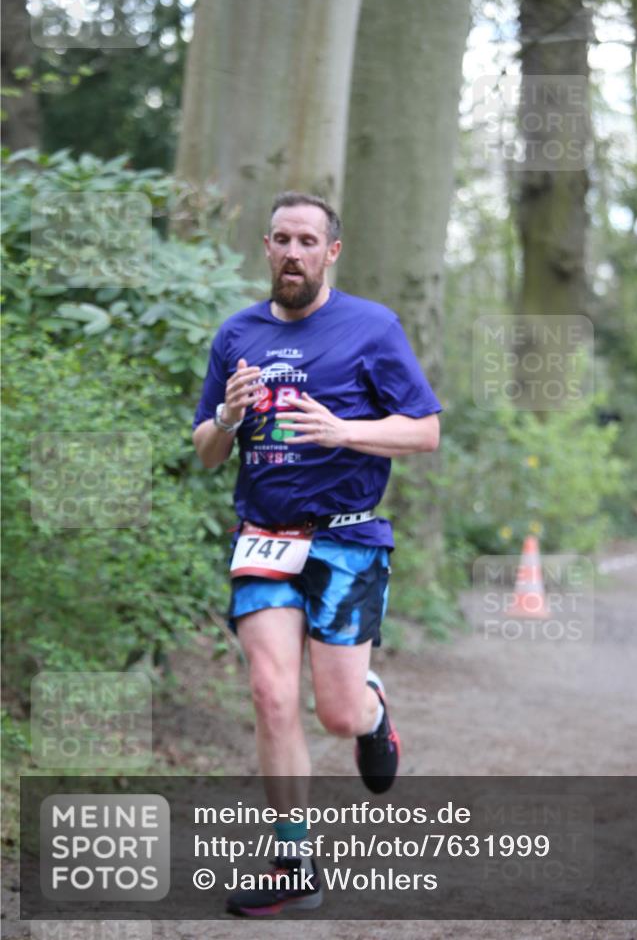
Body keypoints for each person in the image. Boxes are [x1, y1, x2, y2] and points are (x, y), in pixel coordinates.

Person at [192, 191, 441, 916]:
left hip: (348, 538)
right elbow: (206, 452)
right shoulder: (236, 334)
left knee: (335, 713)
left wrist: (344, 432)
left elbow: (424, 430)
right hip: (264, 536)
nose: (292, 252)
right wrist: (227, 417)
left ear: (331, 252)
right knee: (271, 693)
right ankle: (293, 863)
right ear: (266, 247)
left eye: (307, 241)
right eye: (281, 239)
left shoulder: (372, 327)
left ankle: (371, 711)